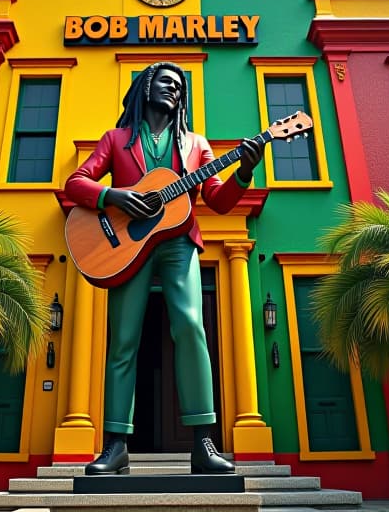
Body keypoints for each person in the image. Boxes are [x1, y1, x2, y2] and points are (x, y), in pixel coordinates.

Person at [64, 62, 264, 475]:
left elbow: (220, 201)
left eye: (179, 85)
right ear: (146, 87)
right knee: (123, 339)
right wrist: (114, 197)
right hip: (125, 247)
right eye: (165, 81)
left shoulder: (195, 144)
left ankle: (203, 443)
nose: (174, 88)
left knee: (191, 327)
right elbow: (76, 183)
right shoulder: (116, 139)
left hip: (178, 242)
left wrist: (244, 170)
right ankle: (116, 445)